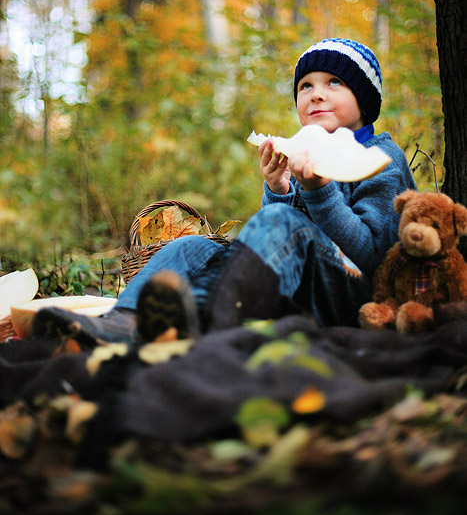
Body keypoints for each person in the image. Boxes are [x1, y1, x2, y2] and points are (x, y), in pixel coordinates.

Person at [33, 38, 416, 347]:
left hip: (353, 296)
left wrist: (319, 193)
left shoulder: (382, 158)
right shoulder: (304, 151)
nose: (316, 94)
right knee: (189, 248)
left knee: (279, 220)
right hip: (293, 289)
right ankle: (125, 320)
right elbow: (282, 244)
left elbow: (374, 255)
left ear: (363, 98)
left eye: (334, 82)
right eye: (306, 86)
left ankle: (208, 322)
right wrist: (279, 189)